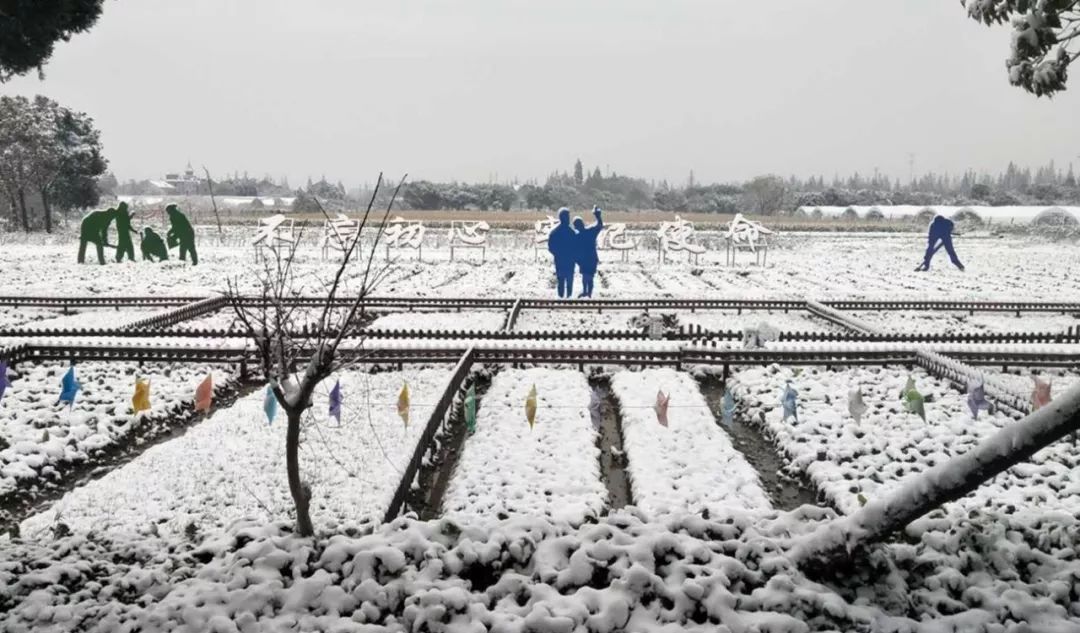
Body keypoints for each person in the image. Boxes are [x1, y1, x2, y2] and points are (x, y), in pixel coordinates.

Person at [573, 206, 604, 298]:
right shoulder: (589, 232)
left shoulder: (578, 236)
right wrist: (598, 216)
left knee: (587, 277)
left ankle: (587, 292)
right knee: (588, 277)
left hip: (586, 260)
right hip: (589, 259)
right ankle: (587, 292)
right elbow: (599, 225)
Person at [548, 207, 577, 298]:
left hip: (560, 259)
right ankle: (568, 298)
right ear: (562, 218)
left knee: (561, 279)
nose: (569, 219)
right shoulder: (572, 232)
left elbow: (551, 247)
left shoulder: (555, 232)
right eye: (567, 216)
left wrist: (558, 254)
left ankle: (561, 298)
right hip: (568, 259)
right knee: (568, 279)